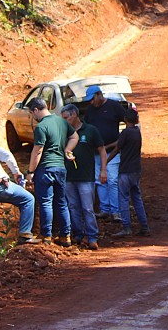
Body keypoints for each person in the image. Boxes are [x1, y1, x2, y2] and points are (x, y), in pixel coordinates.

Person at [26, 97, 79, 247]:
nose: (32, 117)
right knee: (61, 203)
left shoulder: (41, 127)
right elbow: (75, 136)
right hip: (61, 168)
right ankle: (65, 236)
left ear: (36, 110)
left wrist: (30, 172)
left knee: (45, 202)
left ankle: (46, 236)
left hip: (46, 169)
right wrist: (67, 150)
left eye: (31, 113)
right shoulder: (61, 121)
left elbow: (37, 151)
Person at [59, 104, 108, 250]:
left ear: (74, 115)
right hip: (69, 177)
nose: (64, 121)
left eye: (66, 118)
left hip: (86, 177)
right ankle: (78, 235)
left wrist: (103, 170)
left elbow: (102, 150)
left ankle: (92, 236)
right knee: (73, 207)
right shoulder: (64, 133)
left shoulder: (90, 130)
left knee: (87, 208)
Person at [83, 85, 127, 220]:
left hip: (112, 151)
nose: (91, 102)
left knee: (112, 180)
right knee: (99, 181)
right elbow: (85, 127)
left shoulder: (114, 106)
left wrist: (120, 141)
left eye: (92, 99)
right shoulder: (90, 111)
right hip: (96, 152)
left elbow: (129, 121)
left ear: (99, 95)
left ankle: (115, 210)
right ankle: (105, 209)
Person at [110, 109, 149, 237]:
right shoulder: (137, 132)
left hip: (125, 170)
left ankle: (126, 227)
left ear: (125, 120)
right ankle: (144, 226)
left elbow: (117, 149)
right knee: (137, 198)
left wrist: (106, 161)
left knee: (123, 199)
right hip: (136, 170)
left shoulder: (125, 133)